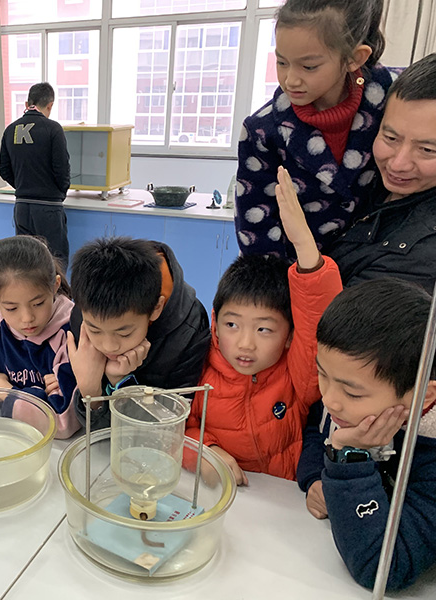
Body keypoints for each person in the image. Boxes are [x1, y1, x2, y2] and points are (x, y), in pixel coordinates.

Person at [185, 167, 342, 484]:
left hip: (282, 498)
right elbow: (173, 428)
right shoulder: (198, 366)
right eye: (232, 324)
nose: (245, 343)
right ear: (215, 323)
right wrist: (204, 451)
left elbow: (317, 322)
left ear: (289, 336)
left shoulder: (297, 377)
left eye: (264, 330)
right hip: (221, 493)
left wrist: (304, 246)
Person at [297, 279, 436, 591]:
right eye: (322, 374)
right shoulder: (346, 402)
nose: (330, 399)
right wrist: (315, 478)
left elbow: (385, 568)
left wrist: (347, 457)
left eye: (352, 393)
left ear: (422, 396)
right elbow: (317, 430)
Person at [235, 0, 399, 260]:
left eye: (309, 66)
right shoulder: (262, 131)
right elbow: (256, 230)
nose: (291, 80)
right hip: (298, 271)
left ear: (355, 58)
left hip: (384, 262)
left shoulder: (396, 98)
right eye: (281, 62)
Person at [67, 237, 210, 430]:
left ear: (156, 308)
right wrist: (90, 391)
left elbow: (168, 428)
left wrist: (121, 383)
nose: (109, 346)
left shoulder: (189, 329)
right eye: (95, 330)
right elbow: (96, 431)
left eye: (124, 333)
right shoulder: (85, 313)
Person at [329, 53, 436, 291]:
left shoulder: (423, 255)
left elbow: (339, 313)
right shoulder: (364, 175)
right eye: (390, 138)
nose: (398, 164)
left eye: (427, 150)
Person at [0, 236, 79, 438]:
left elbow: (63, 421)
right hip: (3, 439)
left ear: (55, 286)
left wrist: (4, 389)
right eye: (11, 308)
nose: (27, 318)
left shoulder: (70, 328)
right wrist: (41, 396)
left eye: (38, 304)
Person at [0, 82, 71, 266]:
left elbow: (3, 169)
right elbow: (62, 169)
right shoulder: (53, 129)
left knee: (26, 262)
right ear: (50, 105)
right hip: (49, 207)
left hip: (22, 207)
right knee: (54, 262)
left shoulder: (10, 130)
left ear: (27, 103)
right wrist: (59, 192)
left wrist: (23, 186)